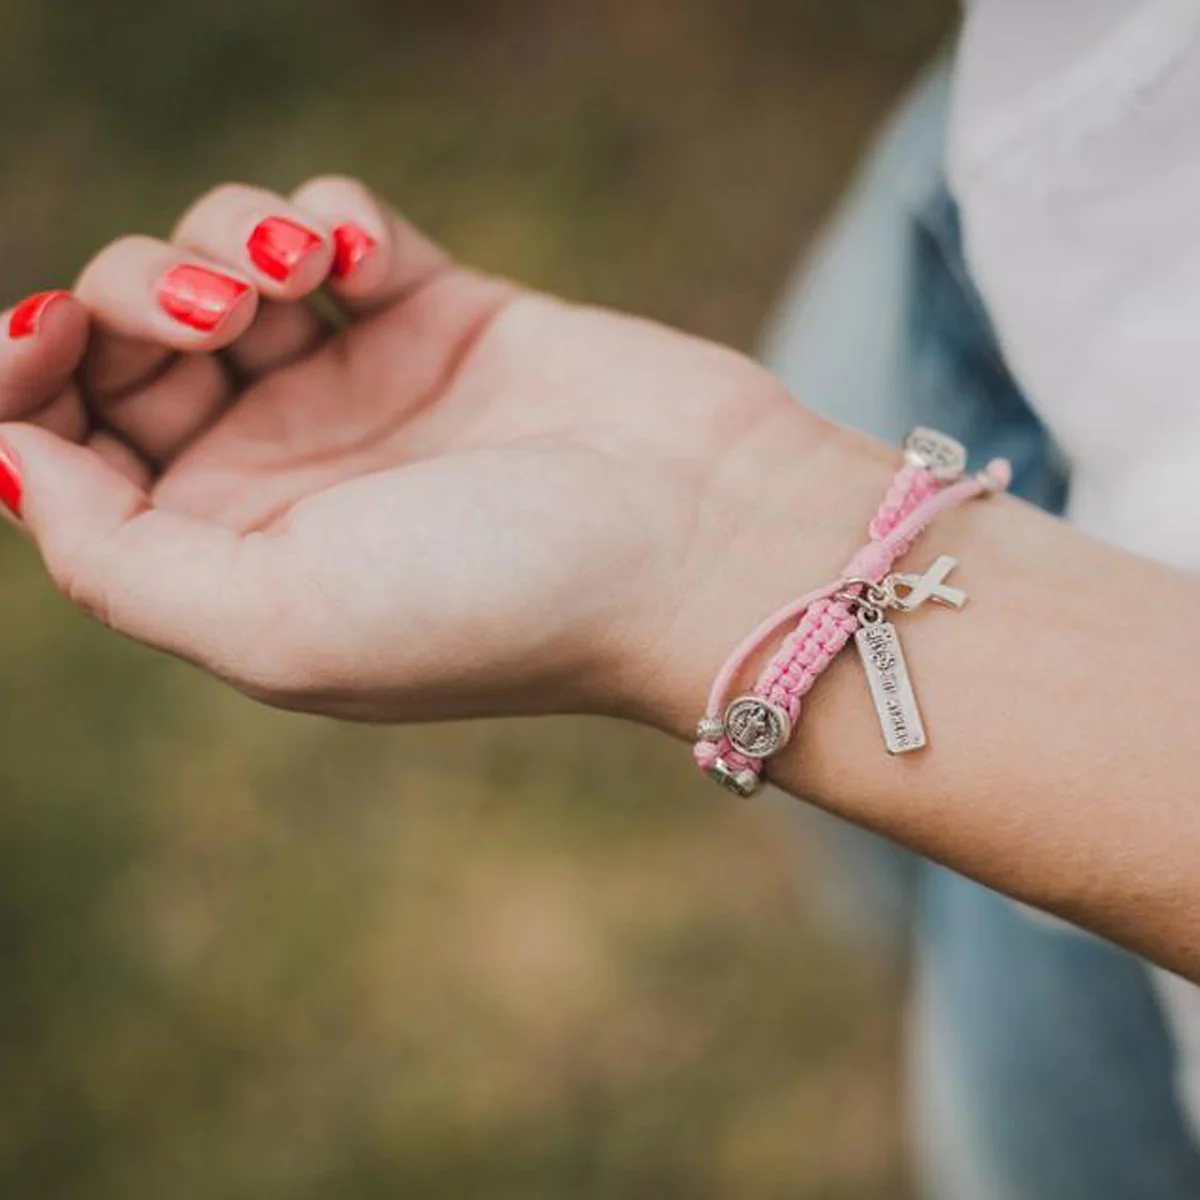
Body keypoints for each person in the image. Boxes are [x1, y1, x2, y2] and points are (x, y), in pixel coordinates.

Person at [2, 5, 1200, 1195]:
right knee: (905, 917)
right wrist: (743, 506)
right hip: (1022, 199)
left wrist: (695, 567)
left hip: (1111, 758)